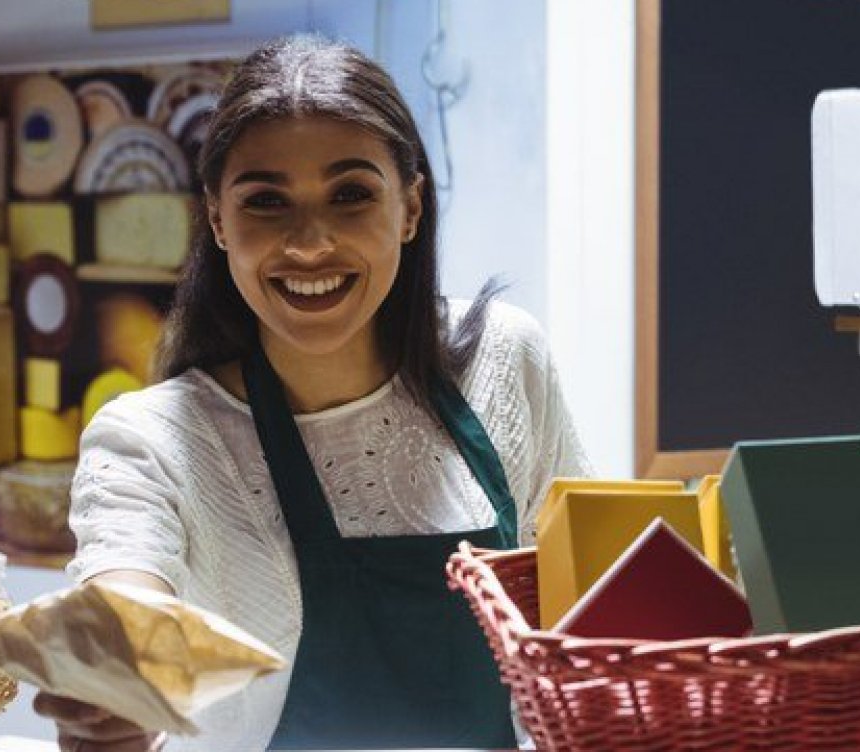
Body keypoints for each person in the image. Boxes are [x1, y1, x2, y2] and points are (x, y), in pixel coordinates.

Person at [37, 34, 590, 751]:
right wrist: (115, 682)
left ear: (412, 206)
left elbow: (594, 604)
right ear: (217, 221)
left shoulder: (504, 362)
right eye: (266, 202)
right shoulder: (154, 438)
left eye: (351, 194)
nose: (308, 244)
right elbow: (125, 592)